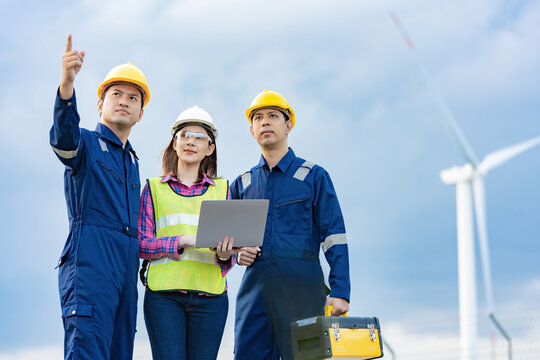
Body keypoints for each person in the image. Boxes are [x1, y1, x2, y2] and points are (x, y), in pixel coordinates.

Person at [50, 34, 150, 360]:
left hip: (124, 279)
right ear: (100, 104)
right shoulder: (88, 144)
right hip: (91, 272)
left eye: (133, 98)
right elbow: (64, 141)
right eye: (116, 94)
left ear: (140, 114)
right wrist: (67, 86)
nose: (124, 101)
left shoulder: (132, 162)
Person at [232, 89, 351, 359]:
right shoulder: (243, 183)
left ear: (288, 125)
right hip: (255, 290)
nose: (265, 122)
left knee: (305, 356)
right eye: (258, 118)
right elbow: (227, 244)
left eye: (273, 116)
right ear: (252, 131)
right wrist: (239, 253)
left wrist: (341, 290)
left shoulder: (313, 176)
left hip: (302, 287)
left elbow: (334, 237)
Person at [138, 105, 235, 360]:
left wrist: (225, 255)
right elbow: (141, 244)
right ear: (174, 143)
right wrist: (181, 241)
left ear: (210, 148)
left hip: (211, 300)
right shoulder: (153, 189)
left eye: (200, 137)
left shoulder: (223, 190)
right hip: (164, 300)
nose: (191, 141)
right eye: (184, 135)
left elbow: (228, 258)